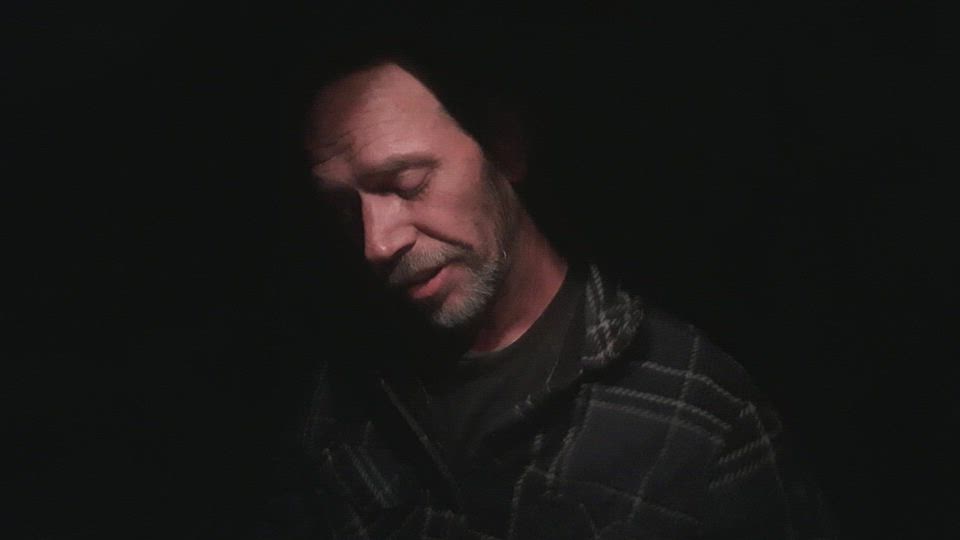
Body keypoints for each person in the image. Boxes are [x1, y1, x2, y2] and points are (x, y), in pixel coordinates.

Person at [268, 46, 831, 540]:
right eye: (344, 208)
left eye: (407, 183)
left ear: (505, 148)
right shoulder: (338, 383)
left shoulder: (703, 421)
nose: (376, 243)